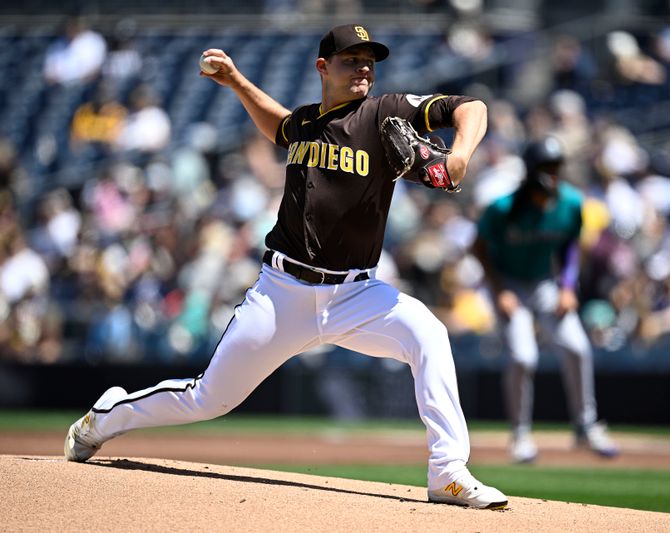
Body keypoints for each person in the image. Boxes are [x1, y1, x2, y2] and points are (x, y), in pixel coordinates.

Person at [64, 24, 507, 510]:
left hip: (357, 295)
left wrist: (460, 155)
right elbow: (278, 126)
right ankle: (104, 417)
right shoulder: (306, 124)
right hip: (282, 293)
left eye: (369, 61)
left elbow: (472, 107)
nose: (363, 67)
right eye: (350, 59)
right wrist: (236, 82)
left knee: (429, 334)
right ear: (323, 67)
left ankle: (447, 472)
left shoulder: (386, 112)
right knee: (207, 399)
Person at [471, 136, 619, 463]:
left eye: (556, 167)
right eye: (546, 167)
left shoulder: (570, 203)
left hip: (544, 283)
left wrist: (568, 285)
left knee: (577, 347)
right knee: (523, 357)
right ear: (532, 170)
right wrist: (499, 291)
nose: (552, 174)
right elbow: (479, 248)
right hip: (510, 284)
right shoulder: (503, 208)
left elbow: (570, 246)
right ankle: (520, 435)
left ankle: (586, 426)